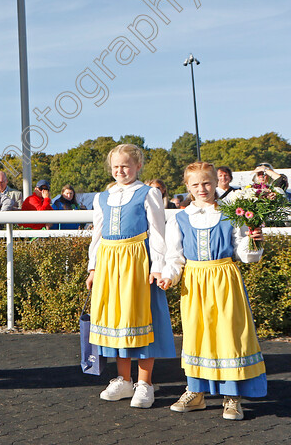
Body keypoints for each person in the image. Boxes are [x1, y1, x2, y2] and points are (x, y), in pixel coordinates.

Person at [160, 162, 266, 421]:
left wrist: (254, 241)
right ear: (188, 187)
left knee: (229, 335)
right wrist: (168, 277)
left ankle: (232, 396)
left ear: (216, 182)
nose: (202, 188)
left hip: (224, 279)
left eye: (207, 183)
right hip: (194, 282)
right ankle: (195, 391)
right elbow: (175, 257)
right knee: (197, 335)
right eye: (195, 184)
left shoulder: (232, 214)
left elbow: (244, 254)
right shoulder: (180, 218)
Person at [86, 143, 175, 409]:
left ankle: (145, 383)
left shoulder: (148, 193)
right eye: (115, 167)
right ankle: (123, 379)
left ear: (137, 166)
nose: (120, 171)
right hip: (110, 264)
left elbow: (158, 232)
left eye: (125, 165)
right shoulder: (103, 196)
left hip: (138, 261)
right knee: (117, 320)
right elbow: (97, 235)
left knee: (142, 318)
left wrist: (157, 265)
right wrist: (93, 268)